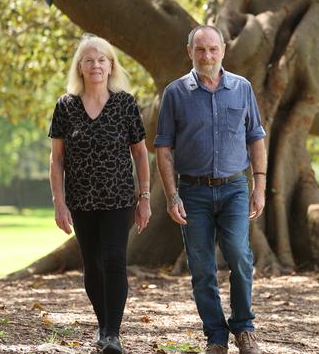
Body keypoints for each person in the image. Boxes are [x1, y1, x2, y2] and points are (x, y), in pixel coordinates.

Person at [155, 25, 267, 354]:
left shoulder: (242, 88)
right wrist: (172, 195)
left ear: (223, 50)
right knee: (202, 267)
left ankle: (244, 329)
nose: (207, 56)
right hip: (193, 192)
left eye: (213, 49)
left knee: (239, 256)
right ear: (189, 51)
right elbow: (163, 148)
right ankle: (216, 336)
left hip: (234, 188)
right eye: (200, 49)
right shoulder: (175, 93)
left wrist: (259, 186)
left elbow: (256, 138)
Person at [48, 34, 151, 354]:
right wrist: (59, 203)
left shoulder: (125, 104)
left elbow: (141, 153)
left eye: (101, 60)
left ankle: (112, 333)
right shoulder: (65, 106)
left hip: (119, 199)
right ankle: (103, 325)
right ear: (80, 67)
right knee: (92, 265)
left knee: (114, 260)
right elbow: (57, 159)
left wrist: (144, 197)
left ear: (111, 66)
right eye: (89, 60)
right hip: (80, 201)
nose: (96, 65)